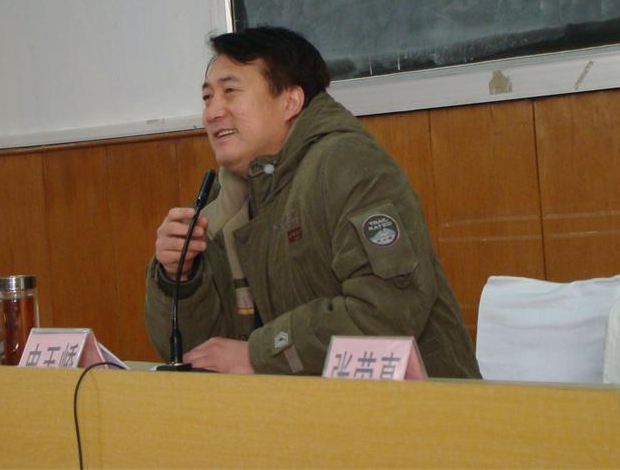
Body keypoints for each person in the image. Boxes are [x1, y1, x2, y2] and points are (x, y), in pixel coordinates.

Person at [145, 26, 480, 378]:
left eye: (230, 92)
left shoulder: (348, 164)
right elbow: (199, 353)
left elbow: (388, 310)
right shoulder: (224, 199)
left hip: (417, 403)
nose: (213, 112)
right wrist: (179, 278)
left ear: (290, 101)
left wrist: (260, 354)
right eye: (207, 98)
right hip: (298, 404)